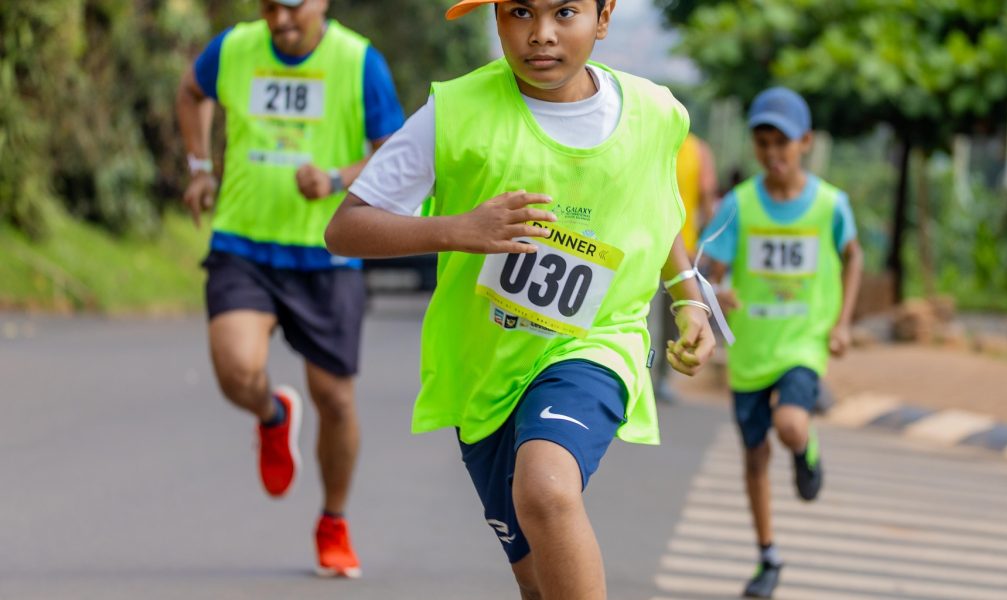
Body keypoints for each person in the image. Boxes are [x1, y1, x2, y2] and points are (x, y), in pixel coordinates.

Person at [323, 0, 717, 595]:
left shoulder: (656, 114)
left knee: (546, 489)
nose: (541, 35)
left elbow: (657, 212)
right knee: (537, 583)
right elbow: (345, 229)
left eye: (565, 12)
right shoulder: (454, 113)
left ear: (604, 16)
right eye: (519, 13)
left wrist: (689, 299)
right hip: (487, 372)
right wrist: (458, 230)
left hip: (594, 344)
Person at [175, 0, 405, 578]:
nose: (280, 18)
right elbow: (190, 91)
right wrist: (200, 167)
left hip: (328, 252)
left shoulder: (358, 62)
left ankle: (333, 522)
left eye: (293, 5)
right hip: (243, 244)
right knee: (234, 368)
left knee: (335, 400)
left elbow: (393, 151)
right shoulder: (234, 48)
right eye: (270, 4)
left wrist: (334, 179)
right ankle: (271, 414)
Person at [699, 87, 863, 598]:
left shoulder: (832, 204)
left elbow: (854, 256)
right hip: (750, 348)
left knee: (790, 424)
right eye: (763, 143)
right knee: (753, 459)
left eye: (783, 144)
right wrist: (716, 294)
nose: (773, 154)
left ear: (806, 142)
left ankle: (804, 446)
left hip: (802, 342)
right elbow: (711, 270)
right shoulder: (740, 204)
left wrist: (841, 324)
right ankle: (767, 555)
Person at [651, 132, 720, 402]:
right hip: (672, 247)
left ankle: (659, 377)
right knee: (666, 316)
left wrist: (708, 248)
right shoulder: (695, 147)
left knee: (663, 317)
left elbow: (706, 198)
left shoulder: (693, 148)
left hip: (677, 248)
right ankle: (655, 377)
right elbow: (708, 199)